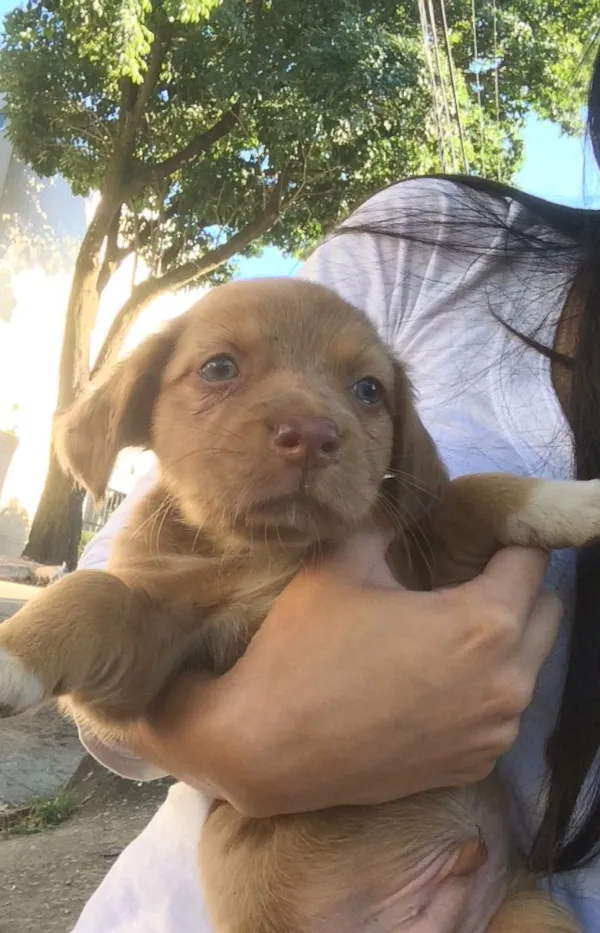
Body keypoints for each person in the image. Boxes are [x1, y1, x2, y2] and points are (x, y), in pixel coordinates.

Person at [71, 51, 600, 932]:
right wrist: (246, 742)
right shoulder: (440, 243)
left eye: (365, 394)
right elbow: (122, 598)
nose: (319, 423)